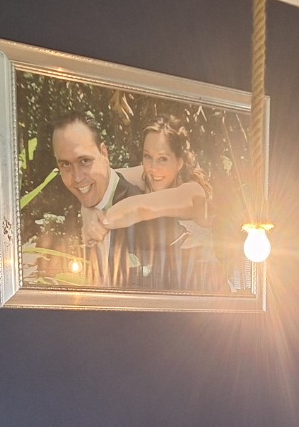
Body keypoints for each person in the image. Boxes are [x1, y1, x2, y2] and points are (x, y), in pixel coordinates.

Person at [84, 116, 224, 292]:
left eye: (163, 159)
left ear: (179, 162)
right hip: (172, 292)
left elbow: (142, 208)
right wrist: (89, 213)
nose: (153, 168)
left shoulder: (193, 193)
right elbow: (98, 183)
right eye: (147, 156)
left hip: (209, 295)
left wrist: (102, 222)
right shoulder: (147, 174)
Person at [49, 112, 152, 288]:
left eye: (84, 161)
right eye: (65, 164)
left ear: (104, 153)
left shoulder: (144, 216)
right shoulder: (71, 211)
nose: (77, 178)